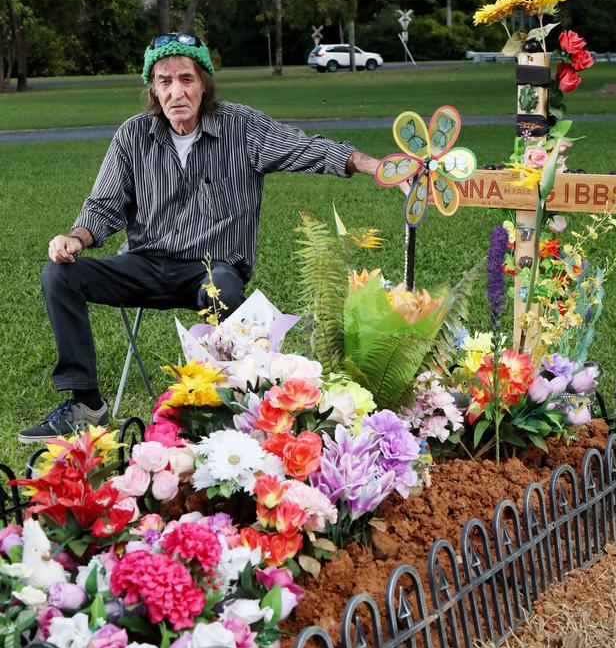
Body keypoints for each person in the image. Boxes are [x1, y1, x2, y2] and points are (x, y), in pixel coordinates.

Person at [18, 32, 384, 442]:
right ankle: (86, 404)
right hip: (142, 264)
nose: (176, 91)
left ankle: (239, 402)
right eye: (165, 81)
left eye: (186, 79)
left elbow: (307, 149)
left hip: (211, 269)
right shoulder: (133, 135)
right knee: (59, 275)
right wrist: (76, 239)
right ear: (153, 89)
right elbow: (104, 205)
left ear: (204, 82)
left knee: (224, 287)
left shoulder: (241, 127)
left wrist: (378, 166)